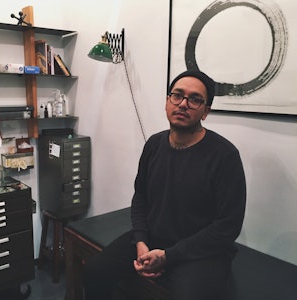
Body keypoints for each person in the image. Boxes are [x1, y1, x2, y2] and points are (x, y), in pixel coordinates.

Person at [83, 70, 246, 300]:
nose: (183, 104)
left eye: (195, 99)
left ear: (206, 111)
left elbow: (228, 227)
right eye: (177, 95)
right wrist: (140, 241)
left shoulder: (225, 156)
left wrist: (169, 255)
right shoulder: (154, 144)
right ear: (167, 101)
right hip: (153, 238)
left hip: (200, 252)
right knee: (95, 272)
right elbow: (140, 198)